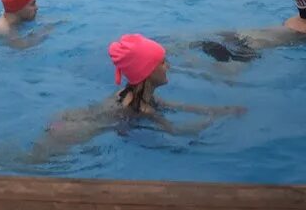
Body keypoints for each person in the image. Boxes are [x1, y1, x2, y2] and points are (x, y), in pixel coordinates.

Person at [20, 34, 245, 163]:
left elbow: (178, 105)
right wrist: (211, 123)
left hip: (66, 121)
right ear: (146, 72)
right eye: (162, 62)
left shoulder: (130, 94)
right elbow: (176, 132)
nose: (169, 65)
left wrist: (221, 110)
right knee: (28, 168)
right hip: (71, 135)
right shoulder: (141, 108)